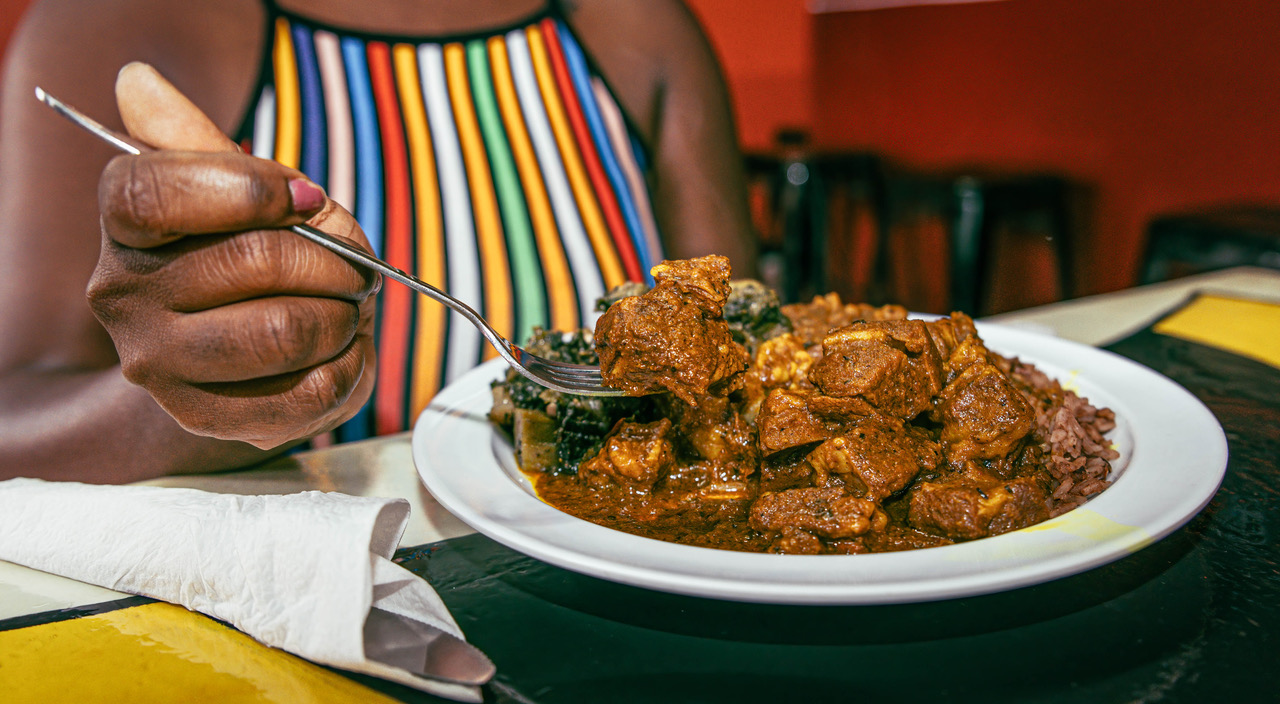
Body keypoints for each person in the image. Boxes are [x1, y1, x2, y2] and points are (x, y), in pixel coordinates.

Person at [0, 0, 757, 482]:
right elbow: (15, 416)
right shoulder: (118, 19)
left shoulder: (640, 27)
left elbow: (747, 356)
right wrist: (197, 404)